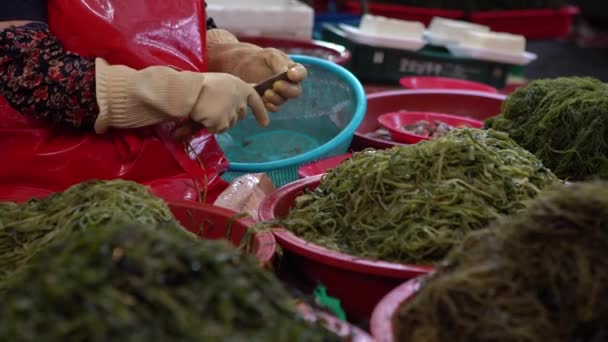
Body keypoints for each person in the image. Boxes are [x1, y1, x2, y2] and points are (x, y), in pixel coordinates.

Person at [0, 0, 307, 202]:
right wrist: (185, 93)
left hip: (176, 178)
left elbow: (182, 28)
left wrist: (236, 59)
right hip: (58, 196)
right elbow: (32, 72)